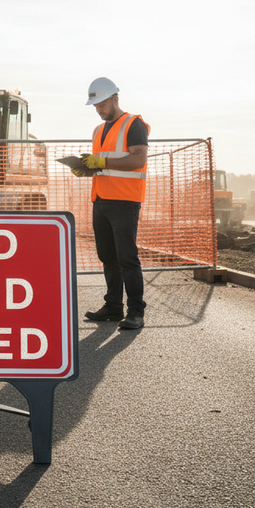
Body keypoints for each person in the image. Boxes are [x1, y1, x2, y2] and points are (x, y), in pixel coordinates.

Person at [73, 77, 150, 330]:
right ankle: (114, 307)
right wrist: (86, 168)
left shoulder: (133, 124)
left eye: (102, 104)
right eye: (95, 106)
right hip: (101, 199)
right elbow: (104, 163)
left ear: (115, 99)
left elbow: (137, 161)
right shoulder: (98, 130)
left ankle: (136, 311)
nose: (99, 109)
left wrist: (101, 163)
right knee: (108, 257)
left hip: (125, 201)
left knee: (127, 258)